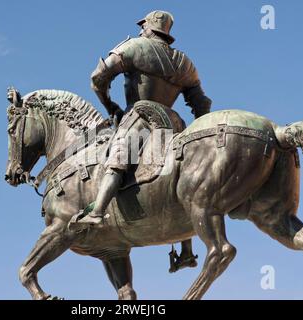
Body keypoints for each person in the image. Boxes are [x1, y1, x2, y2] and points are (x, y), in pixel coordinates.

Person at [75, 10, 212, 271]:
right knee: (179, 174)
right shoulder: (185, 63)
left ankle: (97, 211)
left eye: (142, 27)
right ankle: (186, 250)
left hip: (140, 115)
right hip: (173, 122)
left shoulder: (134, 46)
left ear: (148, 27)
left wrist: (110, 104)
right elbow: (201, 104)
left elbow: (97, 78)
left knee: (117, 159)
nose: (140, 31)